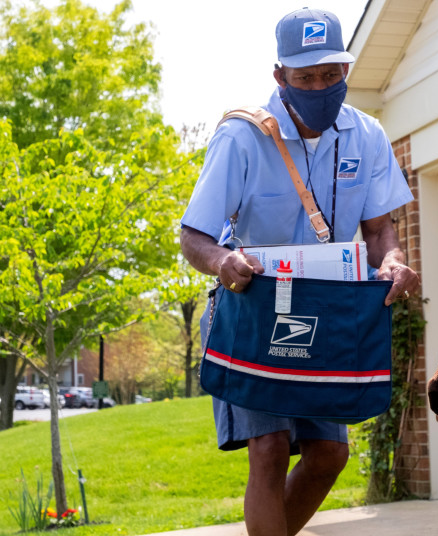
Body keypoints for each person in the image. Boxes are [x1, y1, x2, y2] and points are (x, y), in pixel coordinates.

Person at [180, 7, 419, 535]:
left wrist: (395, 263)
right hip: (254, 308)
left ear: (345, 70)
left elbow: (380, 231)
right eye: (306, 77)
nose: (320, 86)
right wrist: (223, 262)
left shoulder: (368, 135)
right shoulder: (241, 137)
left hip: (328, 309)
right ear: (279, 76)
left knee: (330, 453)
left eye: (331, 74)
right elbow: (192, 235)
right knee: (269, 450)